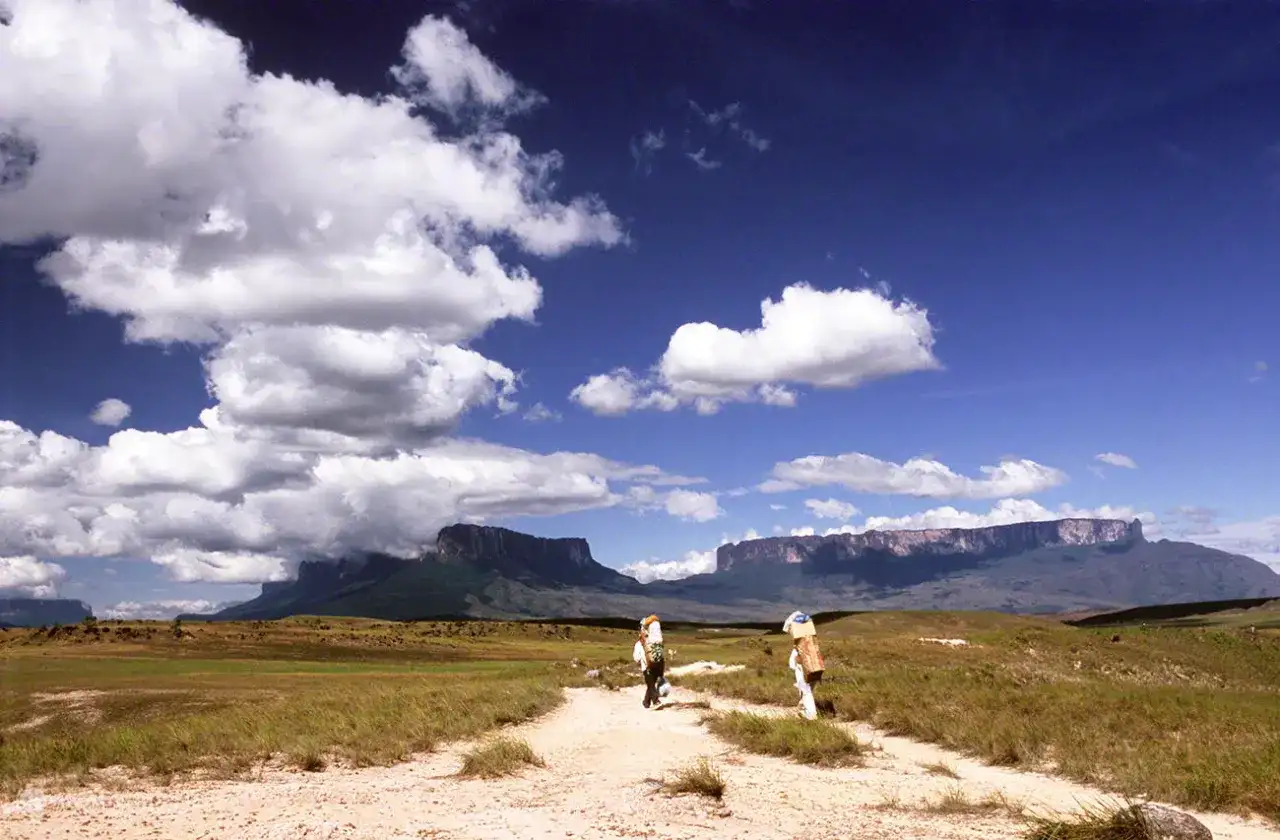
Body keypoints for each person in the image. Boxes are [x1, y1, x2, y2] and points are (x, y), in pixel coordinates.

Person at [782, 610, 824, 720]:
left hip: (802, 661)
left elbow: (795, 660)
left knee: (805, 689)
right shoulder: (811, 639)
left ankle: (810, 715)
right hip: (813, 661)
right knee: (808, 686)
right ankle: (802, 705)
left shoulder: (800, 641)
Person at [636, 614, 666, 709]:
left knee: (651, 685)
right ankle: (652, 701)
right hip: (656, 665)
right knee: (651, 684)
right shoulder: (655, 642)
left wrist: (640, 661)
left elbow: (636, 658)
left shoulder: (639, 644)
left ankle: (650, 702)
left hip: (646, 668)